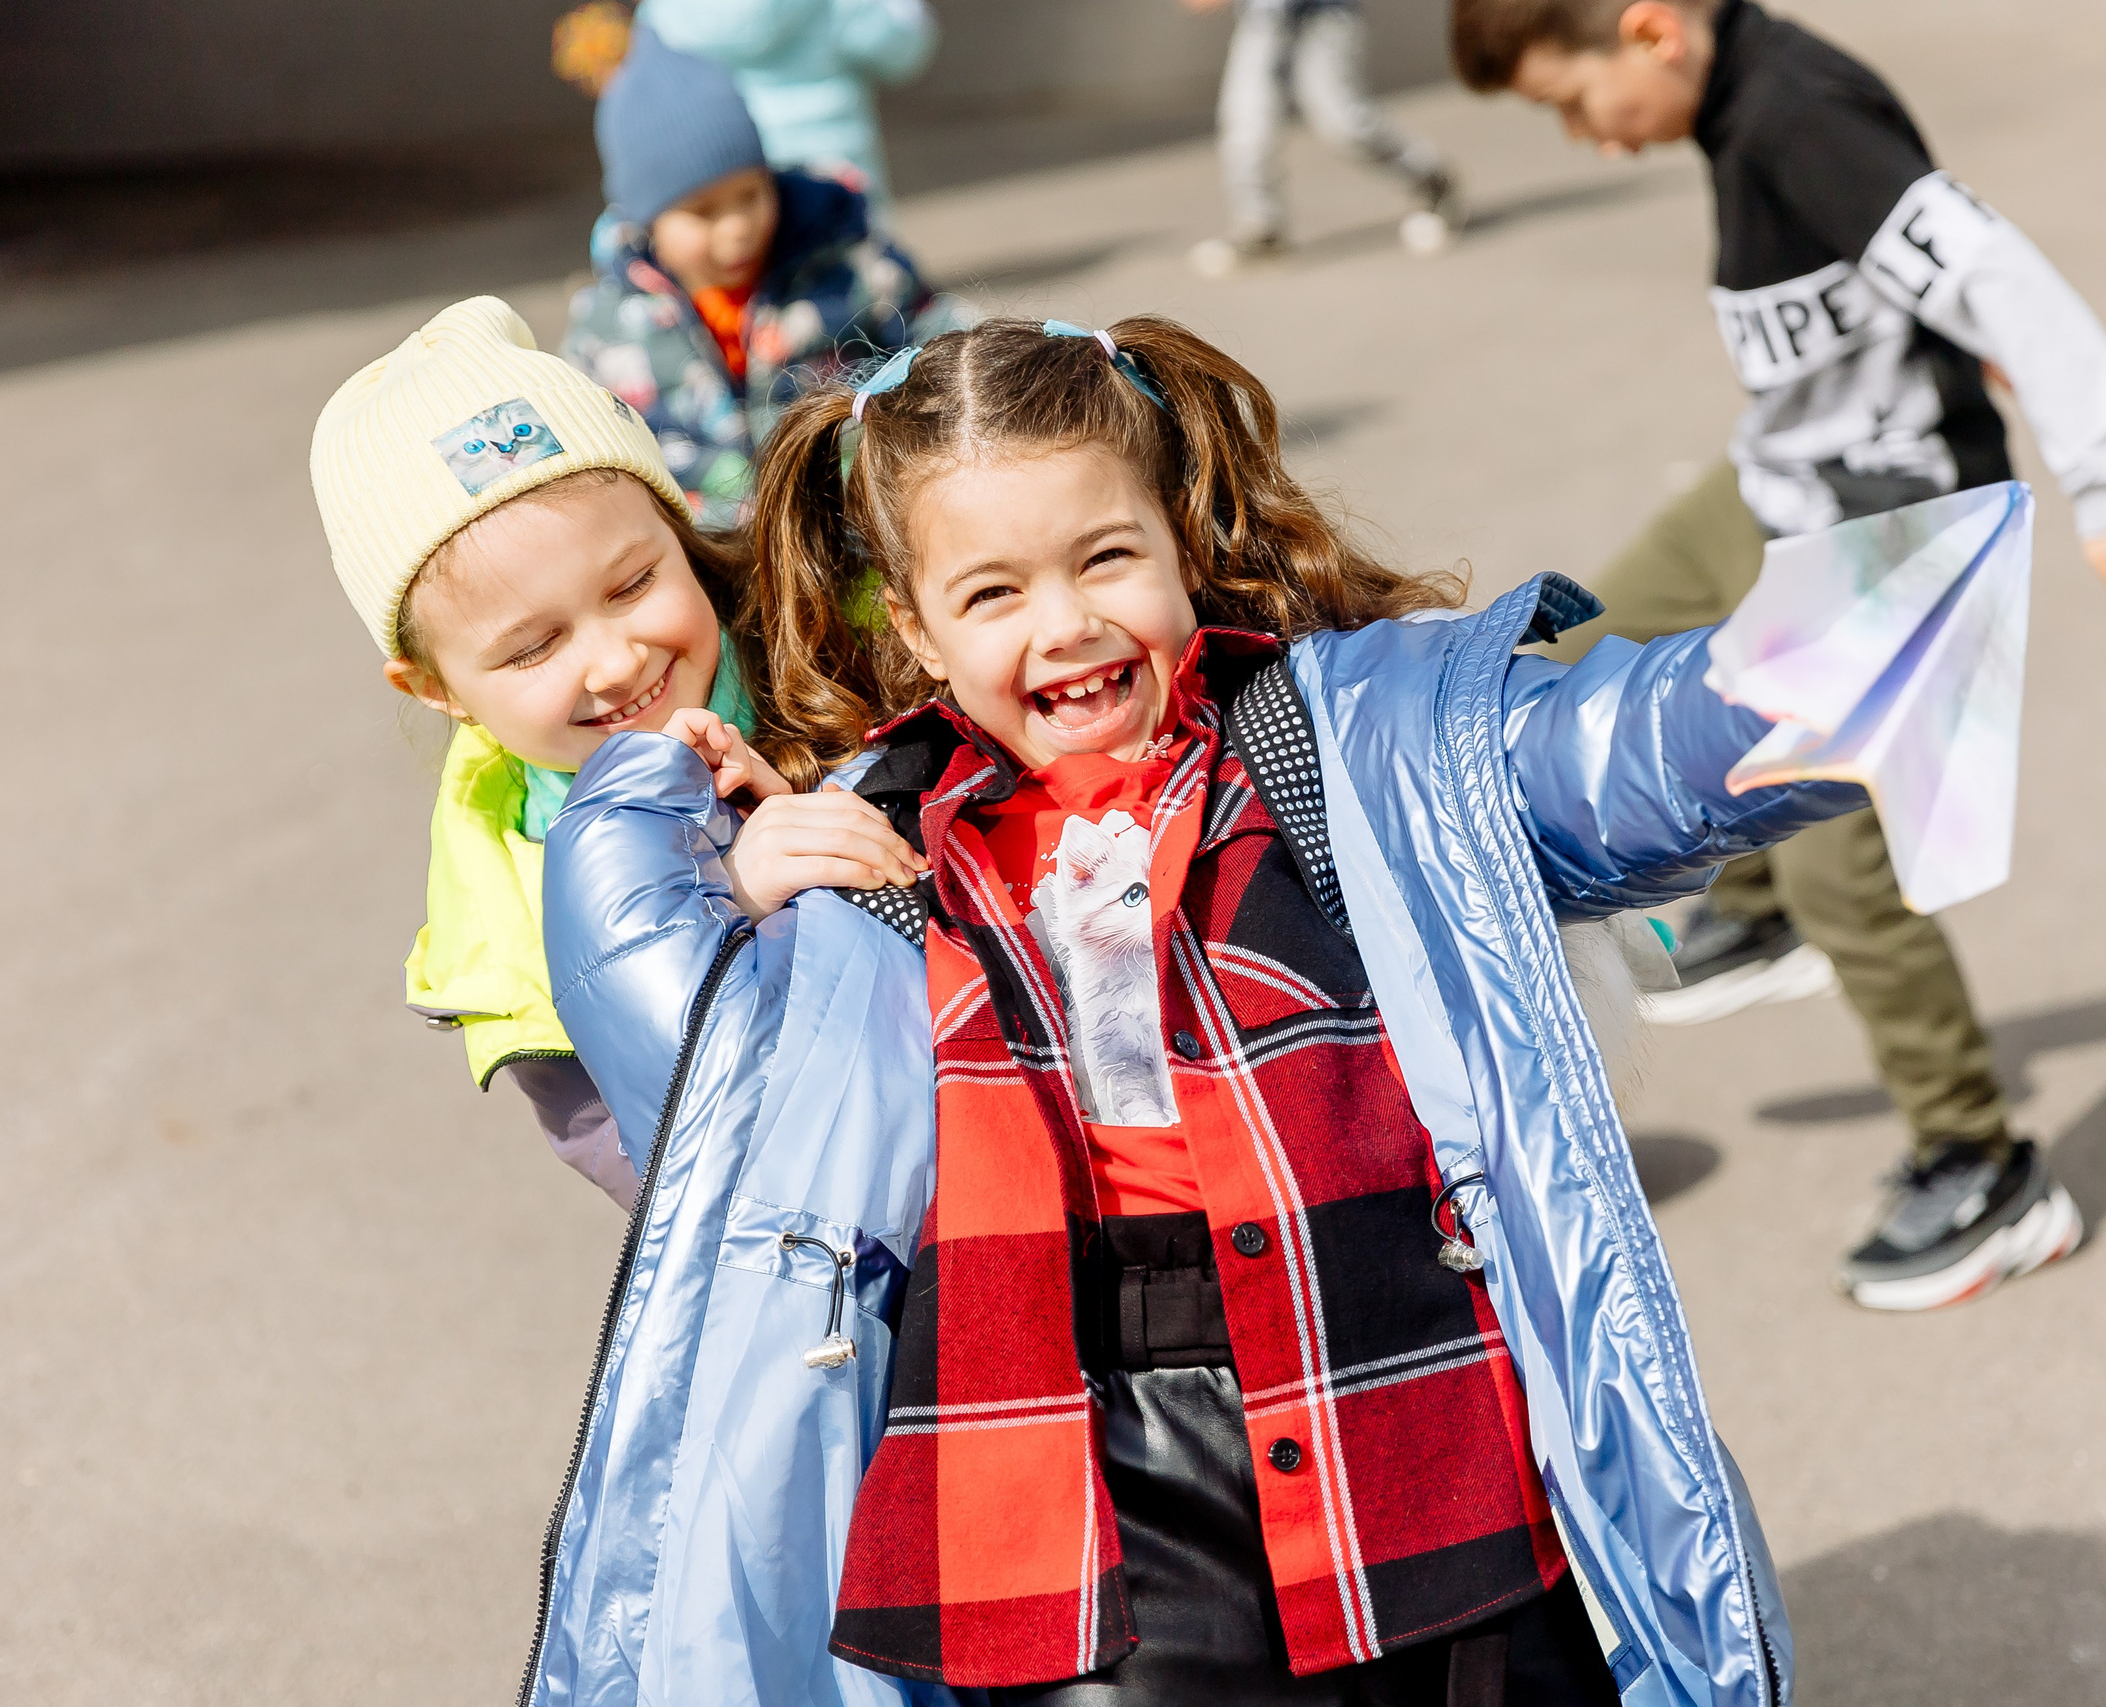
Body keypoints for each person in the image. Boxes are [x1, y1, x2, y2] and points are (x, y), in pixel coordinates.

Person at [515, 316, 2026, 1703]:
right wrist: (705, 842)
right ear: (913, 627)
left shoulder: (1344, 744)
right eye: (992, 592)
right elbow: (688, 1061)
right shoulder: (871, 853)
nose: (1065, 626)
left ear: (1180, 539)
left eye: (1106, 557)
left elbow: (1606, 754)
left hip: (1408, 1396)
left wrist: (1851, 658)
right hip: (1072, 1486)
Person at [1450, 0, 2106, 1310]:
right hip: (1776, 491)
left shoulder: (1799, 111)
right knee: (1570, 654)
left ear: (1649, 31)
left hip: (1892, 539)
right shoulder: (1721, 97)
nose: (1589, 140)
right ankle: (1753, 907)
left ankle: (1985, 1165)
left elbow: (1994, 272)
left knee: (1849, 871)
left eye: (1571, 105)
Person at [306, 294, 774, 1211]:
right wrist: (741, 911)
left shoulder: (826, 651)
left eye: (635, 582)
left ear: (676, 520)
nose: (616, 660)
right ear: (433, 688)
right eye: (533, 648)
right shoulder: (512, 923)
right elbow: (674, 1177)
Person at [562, 27, 971, 531]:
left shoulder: (847, 266)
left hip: (853, 527)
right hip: (713, 554)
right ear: (647, 221)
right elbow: (590, 448)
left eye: (751, 195)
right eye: (703, 212)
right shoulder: (609, 326)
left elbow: (941, 339)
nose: (737, 227)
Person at [1184, 0, 1461, 275]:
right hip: (1263, 15)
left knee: (1344, 123)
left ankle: (1431, 179)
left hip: (1324, 11)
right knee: (1246, 121)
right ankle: (1260, 228)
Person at [637, 0, 938, 218]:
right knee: (859, 287)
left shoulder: (672, 10)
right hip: (835, 178)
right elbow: (903, 51)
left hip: (727, 183)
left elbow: (643, 76)